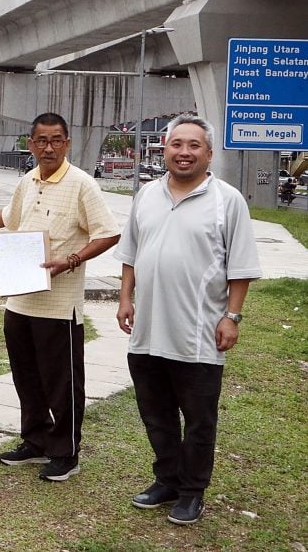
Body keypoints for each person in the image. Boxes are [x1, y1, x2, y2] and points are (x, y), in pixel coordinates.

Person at [0, 112, 120, 482]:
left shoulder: (81, 184)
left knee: (62, 383)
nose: (49, 147)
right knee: (27, 377)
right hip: (19, 301)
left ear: (67, 143)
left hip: (59, 307)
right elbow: (9, 218)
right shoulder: (27, 181)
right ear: (30, 144)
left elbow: (108, 233)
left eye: (56, 140)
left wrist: (72, 260)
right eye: (41, 140)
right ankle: (36, 440)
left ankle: (66, 452)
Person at [115, 115, 261, 525]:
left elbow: (241, 267)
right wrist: (125, 297)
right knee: (155, 414)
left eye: (193, 145)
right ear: (164, 149)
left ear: (209, 154)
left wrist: (232, 316)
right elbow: (130, 253)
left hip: (198, 337)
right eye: (176, 144)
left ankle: (192, 492)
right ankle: (168, 480)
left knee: (198, 421)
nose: (184, 152)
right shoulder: (146, 195)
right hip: (146, 331)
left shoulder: (227, 201)